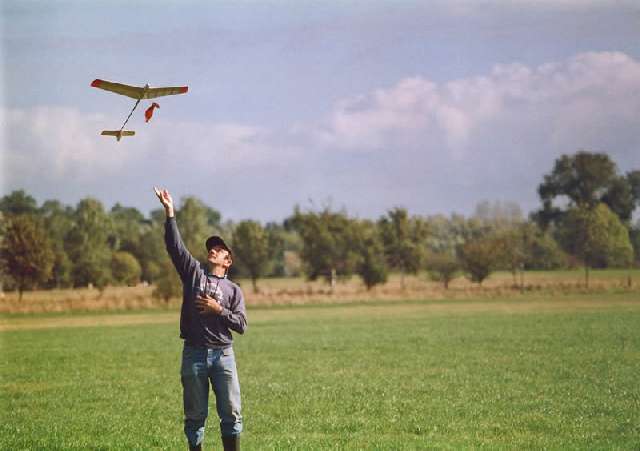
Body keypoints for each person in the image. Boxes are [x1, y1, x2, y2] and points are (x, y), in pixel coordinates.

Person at [154, 187, 247, 451]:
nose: (213, 250)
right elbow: (175, 248)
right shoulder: (194, 274)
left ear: (228, 261)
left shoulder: (234, 290)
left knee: (231, 414)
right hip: (194, 354)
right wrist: (170, 213)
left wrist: (218, 310)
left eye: (218, 249)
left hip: (223, 356)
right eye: (211, 248)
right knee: (195, 417)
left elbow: (241, 325)